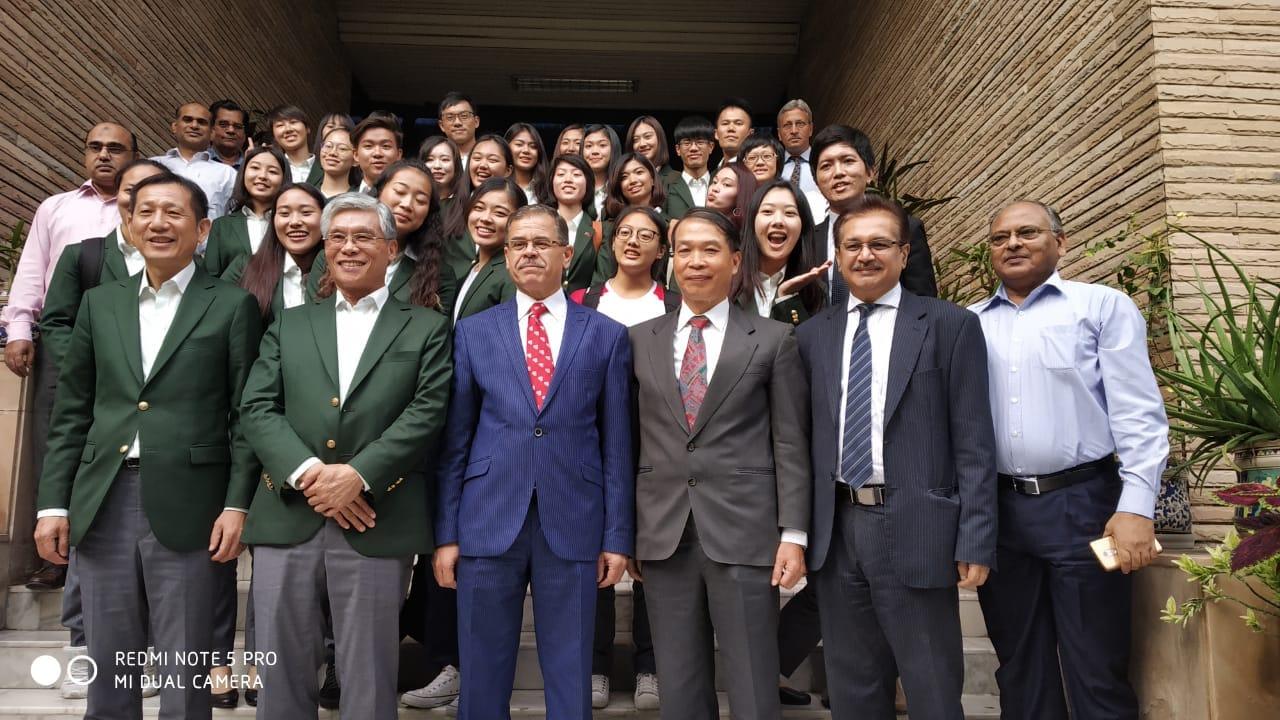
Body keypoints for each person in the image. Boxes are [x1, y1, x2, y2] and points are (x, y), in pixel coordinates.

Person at [33, 173, 261, 720]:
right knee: (109, 666)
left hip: (192, 502)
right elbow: (72, 412)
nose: (158, 223)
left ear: (202, 228)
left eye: (174, 213)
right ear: (128, 225)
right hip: (103, 498)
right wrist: (52, 503)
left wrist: (237, 504)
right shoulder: (99, 305)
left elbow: (245, 416)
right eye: (146, 212)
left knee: (186, 672)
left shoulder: (232, 306)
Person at [240, 191, 452, 720]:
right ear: (325, 247)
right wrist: (315, 475)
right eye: (338, 237)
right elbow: (258, 407)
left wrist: (358, 475)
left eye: (363, 237)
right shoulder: (289, 323)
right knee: (281, 667)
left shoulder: (426, 326)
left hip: (379, 516)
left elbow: (427, 412)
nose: (349, 247)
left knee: (369, 672)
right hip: (289, 510)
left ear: (389, 247)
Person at [795, 194, 996, 720]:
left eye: (879, 244)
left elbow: (974, 439)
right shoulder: (812, 336)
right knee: (854, 687)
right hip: (837, 531)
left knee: (932, 686)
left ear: (904, 254)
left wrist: (976, 534)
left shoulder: (950, 325)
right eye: (853, 245)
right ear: (837, 256)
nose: (865, 255)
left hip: (917, 525)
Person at [434, 203, 634, 720]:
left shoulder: (606, 334)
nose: (528, 252)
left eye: (541, 243)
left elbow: (616, 444)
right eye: (517, 244)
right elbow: (456, 441)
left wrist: (616, 536)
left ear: (567, 254)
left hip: (573, 519)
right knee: (481, 675)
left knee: (571, 676)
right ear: (505, 257)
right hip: (486, 518)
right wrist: (447, 533)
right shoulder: (475, 332)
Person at [971, 200, 1169, 720]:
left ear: (1060, 242)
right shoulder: (969, 324)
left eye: (1027, 232)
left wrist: (1137, 506)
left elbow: (1139, 415)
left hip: (1084, 506)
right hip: (1000, 512)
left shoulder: (1102, 307)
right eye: (1000, 237)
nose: (1012, 243)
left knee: (1095, 664)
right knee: (1019, 666)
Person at [629, 207, 809, 720]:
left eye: (709, 250)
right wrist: (626, 532)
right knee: (680, 686)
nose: (696, 261)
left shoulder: (773, 339)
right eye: (684, 249)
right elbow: (628, 442)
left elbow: (790, 441)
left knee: (753, 681)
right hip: (664, 533)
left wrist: (792, 534)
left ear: (734, 260)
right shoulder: (641, 340)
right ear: (671, 260)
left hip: (745, 532)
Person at [34, 157, 164, 699]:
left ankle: (145, 656)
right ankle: (83, 648)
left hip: (154, 437)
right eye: (134, 196)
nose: (143, 206)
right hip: (94, 412)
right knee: (87, 536)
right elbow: (57, 321)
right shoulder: (86, 255)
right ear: (122, 207)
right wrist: (86, 368)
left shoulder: (180, 266)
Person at [569, 207, 673, 710]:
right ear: (608, 242)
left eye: (646, 235)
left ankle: (651, 664)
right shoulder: (582, 301)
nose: (633, 241)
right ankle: (595, 664)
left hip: (660, 441)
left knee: (653, 552)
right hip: (593, 439)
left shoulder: (674, 304)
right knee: (598, 549)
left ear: (661, 248)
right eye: (624, 233)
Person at [810, 124, 936, 301]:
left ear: (870, 172)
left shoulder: (907, 228)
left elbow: (924, 302)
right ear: (816, 181)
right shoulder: (806, 241)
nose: (838, 172)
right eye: (826, 166)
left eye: (848, 161)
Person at [311, 161, 455, 316]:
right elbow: (313, 321)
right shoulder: (331, 257)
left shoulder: (440, 274)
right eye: (400, 192)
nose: (407, 204)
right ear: (379, 192)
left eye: (420, 200)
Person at [224, 183, 326, 322]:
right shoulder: (244, 268)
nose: (295, 222)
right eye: (284, 213)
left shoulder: (339, 272)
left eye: (306, 212)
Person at [734, 179, 825, 325]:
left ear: (803, 226)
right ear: (752, 222)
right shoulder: (725, 280)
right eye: (767, 211)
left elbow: (809, 346)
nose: (778, 221)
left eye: (789, 213)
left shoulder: (816, 292)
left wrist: (787, 301)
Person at [449, 178, 527, 322]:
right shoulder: (473, 269)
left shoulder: (512, 273)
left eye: (499, 213)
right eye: (478, 208)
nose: (485, 218)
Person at [202, 146, 288, 277]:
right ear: (243, 173)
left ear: (284, 179)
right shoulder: (222, 226)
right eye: (255, 168)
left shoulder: (290, 224)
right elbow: (209, 278)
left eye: (272, 171)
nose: (262, 176)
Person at [591, 154, 669, 284]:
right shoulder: (606, 229)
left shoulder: (671, 227)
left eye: (639, 172)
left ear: (653, 178)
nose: (632, 180)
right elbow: (600, 280)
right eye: (624, 177)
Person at [153, 101, 236, 218]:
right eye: (187, 120)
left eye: (201, 122)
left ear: (212, 133)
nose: (194, 126)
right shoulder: (152, 165)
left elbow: (233, 220)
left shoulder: (228, 174)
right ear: (175, 127)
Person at [549, 154, 599, 293]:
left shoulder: (601, 231)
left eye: (576, 174)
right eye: (561, 174)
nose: (568, 180)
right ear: (552, 181)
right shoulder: (537, 226)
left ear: (588, 183)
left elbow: (601, 282)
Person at [420, 136, 470, 240]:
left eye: (445, 159)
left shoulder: (467, 204)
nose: (437, 166)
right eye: (429, 160)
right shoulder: (416, 204)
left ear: (456, 165)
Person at [665, 116, 715, 219]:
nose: (693, 148)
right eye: (687, 143)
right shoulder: (666, 185)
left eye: (700, 142)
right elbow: (657, 214)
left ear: (711, 147)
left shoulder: (722, 183)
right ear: (678, 149)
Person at [268, 104, 322, 185]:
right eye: (280, 125)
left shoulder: (325, 167)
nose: (288, 129)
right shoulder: (271, 169)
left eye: (293, 122)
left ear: (307, 128)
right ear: (274, 135)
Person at [776, 99, 819, 196]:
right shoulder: (773, 167)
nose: (794, 131)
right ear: (779, 134)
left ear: (811, 129)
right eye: (787, 125)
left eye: (800, 124)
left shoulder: (823, 162)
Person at [353, 113, 404, 193]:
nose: (377, 153)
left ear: (398, 154)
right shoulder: (342, 201)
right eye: (368, 146)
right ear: (356, 155)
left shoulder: (406, 202)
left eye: (386, 146)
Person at [705, 163, 758, 234]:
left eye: (726, 184)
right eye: (714, 182)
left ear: (742, 194)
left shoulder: (748, 235)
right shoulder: (700, 224)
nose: (715, 188)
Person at [581, 124, 620, 219]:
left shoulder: (622, 186)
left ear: (613, 149)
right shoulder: (575, 186)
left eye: (602, 145)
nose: (594, 151)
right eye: (588, 146)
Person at [506, 122, 549, 204]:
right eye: (519, 144)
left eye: (533, 146)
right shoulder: (497, 183)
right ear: (506, 147)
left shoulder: (549, 188)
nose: (526, 150)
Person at [626, 115, 674, 185]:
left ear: (659, 139)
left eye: (647, 137)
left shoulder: (675, 179)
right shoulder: (627, 181)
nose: (642, 144)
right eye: (635, 140)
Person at [318, 127, 361, 198]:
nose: (332, 153)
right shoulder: (306, 194)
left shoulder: (360, 199)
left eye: (342, 148)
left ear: (355, 159)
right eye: (328, 146)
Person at [439, 92, 481, 167]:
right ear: (442, 125)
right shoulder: (434, 162)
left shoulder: (489, 158)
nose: (457, 122)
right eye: (450, 117)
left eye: (464, 116)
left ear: (476, 122)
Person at [209, 99, 249, 169]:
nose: (231, 130)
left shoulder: (251, 166)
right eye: (223, 125)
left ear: (244, 136)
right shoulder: (198, 160)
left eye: (238, 126)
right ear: (211, 130)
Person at [714, 97, 753, 167]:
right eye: (725, 123)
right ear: (716, 133)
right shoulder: (713, 174)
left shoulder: (757, 172)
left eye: (738, 123)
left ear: (750, 134)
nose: (731, 128)